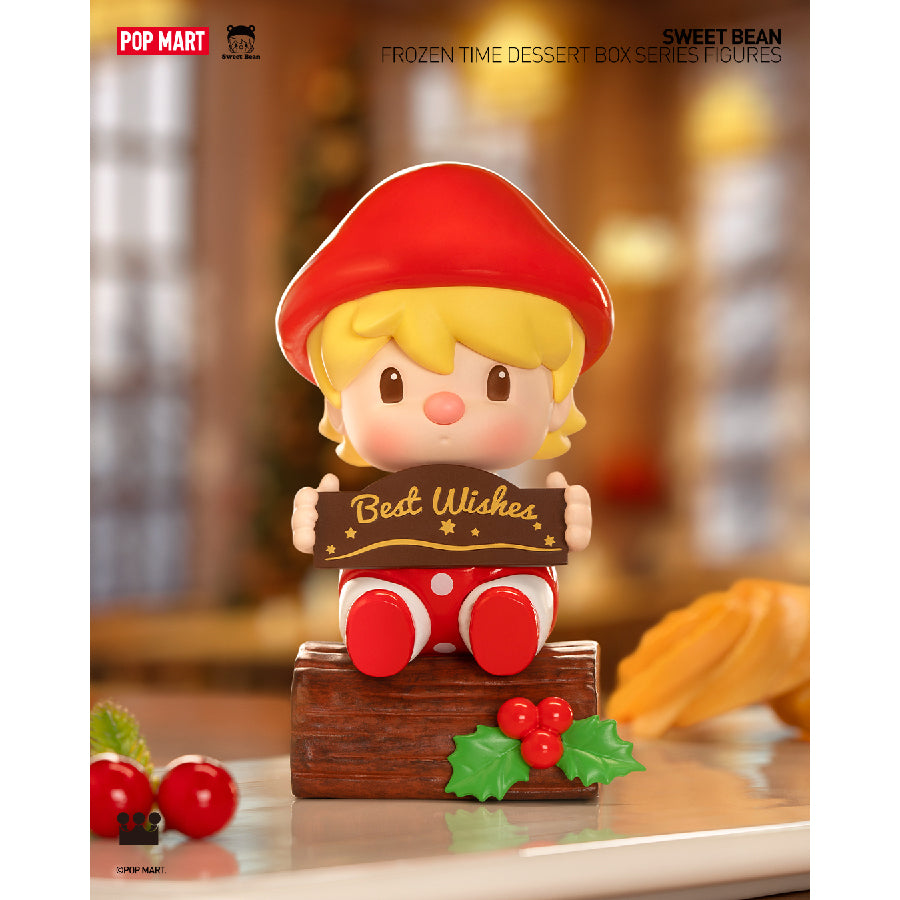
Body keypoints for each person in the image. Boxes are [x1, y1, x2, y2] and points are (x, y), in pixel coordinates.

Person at [276, 162, 613, 677]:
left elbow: (551, 540)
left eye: (497, 382)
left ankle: (506, 617)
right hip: (390, 577)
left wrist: (567, 522)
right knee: (367, 587)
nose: (445, 406)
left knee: (526, 585)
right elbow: (337, 542)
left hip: (502, 573)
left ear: (557, 403)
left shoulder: (519, 522)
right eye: (393, 384)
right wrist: (315, 524)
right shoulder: (369, 524)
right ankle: (385, 621)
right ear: (338, 408)